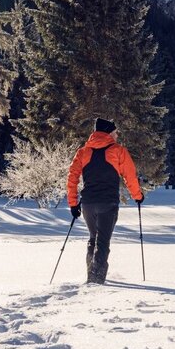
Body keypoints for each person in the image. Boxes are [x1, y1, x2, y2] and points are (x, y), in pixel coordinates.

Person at [67, 118, 144, 284]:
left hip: (88, 203)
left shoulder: (83, 152)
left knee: (93, 237)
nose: (117, 135)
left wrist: (73, 204)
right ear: (109, 132)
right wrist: (137, 196)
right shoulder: (118, 151)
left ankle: (91, 274)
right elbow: (130, 176)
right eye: (115, 132)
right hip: (108, 203)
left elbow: (72, 178)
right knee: (102, 241)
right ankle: (96, 279)